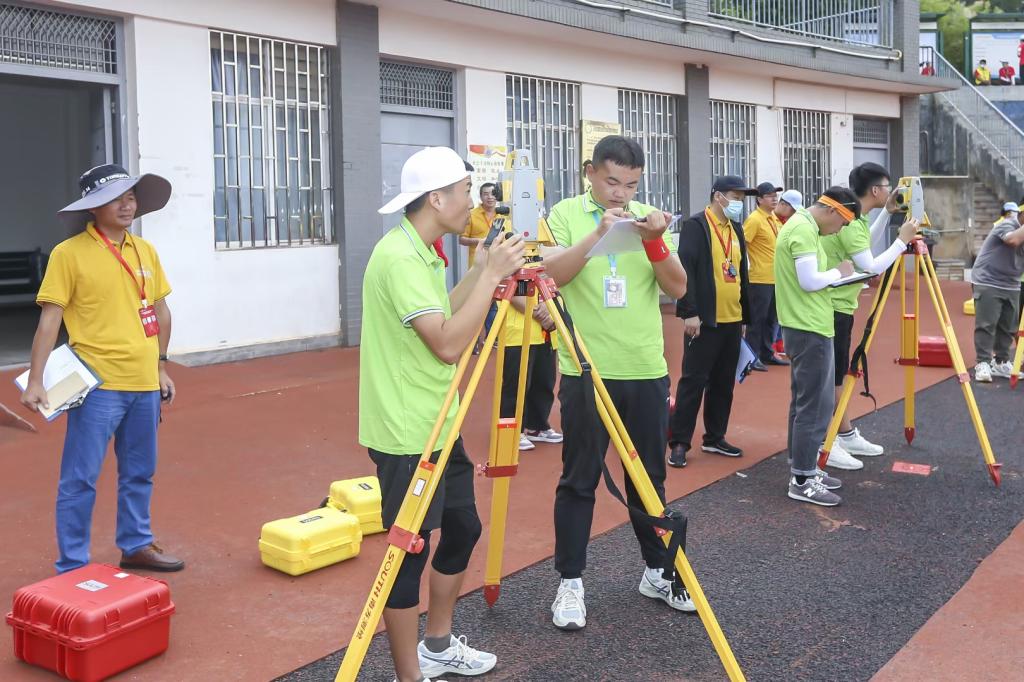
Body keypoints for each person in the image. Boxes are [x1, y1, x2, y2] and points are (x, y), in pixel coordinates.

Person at [363, 146, 526, 682]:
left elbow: (446, 311)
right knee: (409, 552)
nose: (473, 202)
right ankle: (409, 674)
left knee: (462, 528)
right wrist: (492, 275)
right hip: (407, 430)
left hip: (437, 422)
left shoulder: (423, 251)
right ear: (436, 198)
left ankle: (436, 643)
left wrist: (480, 272)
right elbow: (449, 344)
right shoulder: (400, 257)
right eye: (464, 191)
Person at [542, 135, 689, 631]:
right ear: (589, 172)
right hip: (586, 369)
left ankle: (657, 571)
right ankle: (570, 582)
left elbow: (677, 286)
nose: (620, 194)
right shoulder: (564, 214)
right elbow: (552, 275)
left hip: (645, 368)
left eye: (630, 185)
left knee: (648, 478)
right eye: (611, 182)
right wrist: (597, 235)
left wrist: (654, 240)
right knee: (579, 478)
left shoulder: (649, 219)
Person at [20, 164, 183, 574]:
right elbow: (50, 320)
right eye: (116, 199)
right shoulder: (69, 254)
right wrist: (36, 380)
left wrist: (161, 367)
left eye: (131, 197)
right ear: (93, 207)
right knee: (80, 479)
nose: (127, 206)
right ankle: (73, 563)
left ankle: (136, 544)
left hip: (144, 384)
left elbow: (161, 311)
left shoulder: (145, 251)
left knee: (140, 472)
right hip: (96, 388)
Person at [819, 163, 921, 471]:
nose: (892, 192)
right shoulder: (850, 222)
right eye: (888, 187)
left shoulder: (856, 217)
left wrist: (887, 213)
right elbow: (871, 266)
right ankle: (828, 440)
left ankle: (845, 433)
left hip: (840, 305)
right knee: (831, 377)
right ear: (875, 190)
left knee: (836, 374)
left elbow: (863, 247)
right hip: (832, 307)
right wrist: (902, 241)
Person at [774, 187, 860, 506]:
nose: (840, 230)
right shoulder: (803, 229)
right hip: (808, 326)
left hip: (807, 324)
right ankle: (802, 477)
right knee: (815, 406)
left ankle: (803, 468)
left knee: (805, 402)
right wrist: (839, 272)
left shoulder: (802, 225)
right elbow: (809, 281)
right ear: (834, 211)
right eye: (843, 223)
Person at [668, 175, 755, 468]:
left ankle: (715, 437)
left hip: (732, 319)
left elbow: (740, 272)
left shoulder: (736, 228)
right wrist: (689, 312)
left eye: (742, 198)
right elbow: (686, 270)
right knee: (693, 381)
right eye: (736, 197)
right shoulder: (696, 226)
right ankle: (679, 442)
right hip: (705, 320)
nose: (739, 203)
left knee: (723, 383)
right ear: (719, 196)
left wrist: (744, 316)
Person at [498, 292, 562, 452]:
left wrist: (548, 309)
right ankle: (511, 432)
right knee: (516, 386)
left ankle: (537, 426)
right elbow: (512, 293)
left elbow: (554, 286)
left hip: (545, 334)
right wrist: (541, 314)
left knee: (544, 382)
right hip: (518, 334)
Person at [970, 201, 1024, 383]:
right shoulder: (1007, 224)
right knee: (987, 324)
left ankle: (1001, 361)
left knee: (1009, 327)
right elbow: (1012, 240)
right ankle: (983, 363)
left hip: (1012, 283)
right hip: (988, 280)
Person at [743, 181, 789, 371]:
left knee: (772, 319)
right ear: (759, 199)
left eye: (775, 195)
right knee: (757, 320)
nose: (774, 199)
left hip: (777, 277)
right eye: (770, 196)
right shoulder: (755, 219)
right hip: (760, 278)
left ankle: (767, 353)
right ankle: (751, 357)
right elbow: (743, 243)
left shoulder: (774, 219)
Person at [461, 182, 498, 268]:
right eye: (486, 194)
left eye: (493, 194)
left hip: (498, 263)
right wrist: (480, 241)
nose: (490, 197)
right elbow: (461, 239)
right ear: (480, 196)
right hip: (477, 264)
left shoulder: (504, 215)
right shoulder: (471, 214)